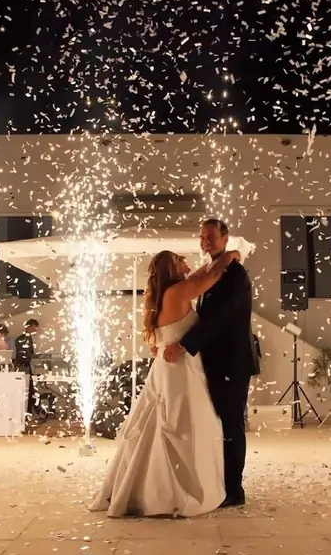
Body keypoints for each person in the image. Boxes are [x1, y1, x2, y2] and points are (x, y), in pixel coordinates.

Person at [91, 243, 242, 517]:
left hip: (165, 366)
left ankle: (142, 487)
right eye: (180, 260)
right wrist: (228, 257)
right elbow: (211, 276)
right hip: (180, 370)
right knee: (186, 426)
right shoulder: (179, 291)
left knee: (161, 423)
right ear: (173, 269)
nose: (187, 262)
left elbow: (197, 275)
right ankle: (174, 491)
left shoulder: (162, 294)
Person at [163, 219, 254, 508]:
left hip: (231, 362)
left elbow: (221, 317)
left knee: (231, 427)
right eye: (202, 237)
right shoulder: (217, 270)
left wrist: (186, 343)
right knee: (218, 427)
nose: (205, 242)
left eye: (211, 237)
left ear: (225, 238)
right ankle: (219, 485)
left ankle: (234, 491)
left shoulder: (234, 274)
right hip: (213, 362)